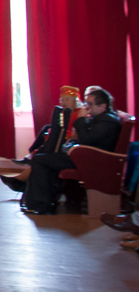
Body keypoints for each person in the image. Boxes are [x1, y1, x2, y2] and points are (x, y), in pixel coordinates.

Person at [20, 86, 122, 215]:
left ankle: (42, 204)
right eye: (86, 103)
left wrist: (80, 120)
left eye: (90, 104)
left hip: (92, 162)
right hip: (87, 157)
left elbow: (86, 139)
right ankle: (43, 202)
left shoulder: (107, 122)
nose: (87, 107)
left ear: (103, 106)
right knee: (44, 158)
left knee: (40, 159)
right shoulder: (103, 118)